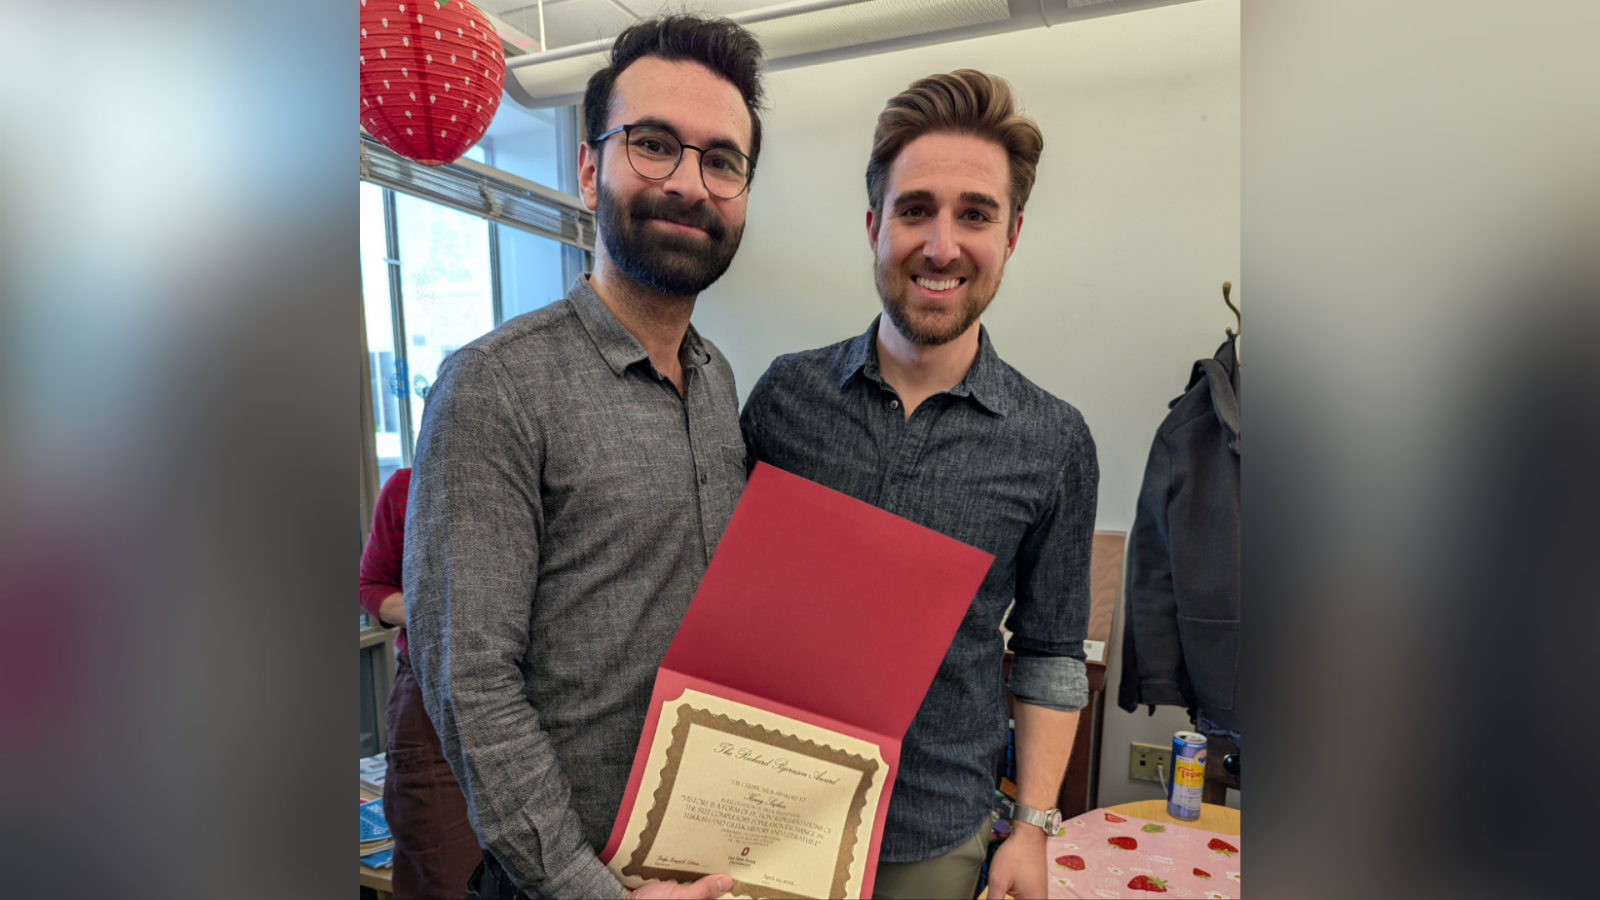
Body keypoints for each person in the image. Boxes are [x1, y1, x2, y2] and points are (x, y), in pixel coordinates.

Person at [403, 15, 765, 900]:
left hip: (703, 868)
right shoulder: (495, 385)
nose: (689, 183)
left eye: (722, 161)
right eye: (654, 145)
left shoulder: (718, 381)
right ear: (588, 167)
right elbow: (469, 683)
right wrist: (584, 888)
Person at [739, 70, 1098, 900]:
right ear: (874, 226)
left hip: (933, 830)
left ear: (1011, 235)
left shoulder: (1053, 442)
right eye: (914, 210)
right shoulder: (785, 398)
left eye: (975, 214)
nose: (941, 246)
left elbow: (1050, 653)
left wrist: (1031, 828)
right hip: (763, 807)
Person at [360, 467, 485, 899]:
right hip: (431, 687)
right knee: (444, 866)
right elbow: (371, 585)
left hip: (535, 687)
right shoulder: (407, 487)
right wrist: (440, 613)